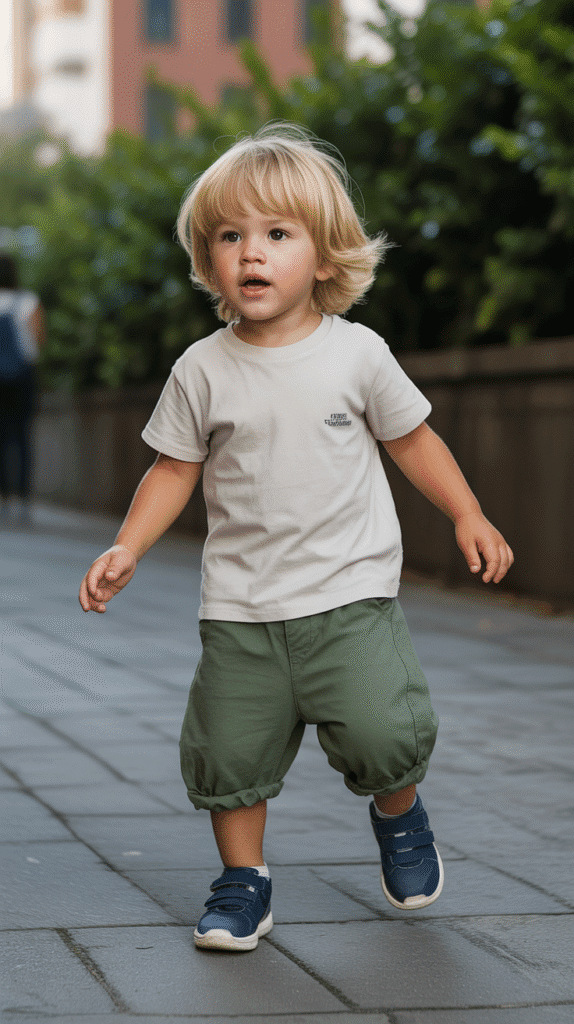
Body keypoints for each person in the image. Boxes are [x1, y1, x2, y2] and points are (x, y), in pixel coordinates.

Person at [79, 123, 514, 952]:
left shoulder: (357, 354)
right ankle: (245, 883)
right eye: (230, 237)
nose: (252, 254)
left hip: (350, 597)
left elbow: (413, 439)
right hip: (241, 607)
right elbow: (172, 470)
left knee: (384, 733)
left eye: (277, 235)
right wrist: (128, 547)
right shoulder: (201, 369)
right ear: (209, 261)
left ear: (322, 257)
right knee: (230, 753)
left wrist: (467, 511)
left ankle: (400, 816)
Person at [0, 252, 45, 524]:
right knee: (22, 436)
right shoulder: (28, 301)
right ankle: (23, 499)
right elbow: (38, 339)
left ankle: (3, 499)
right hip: (22, 377)